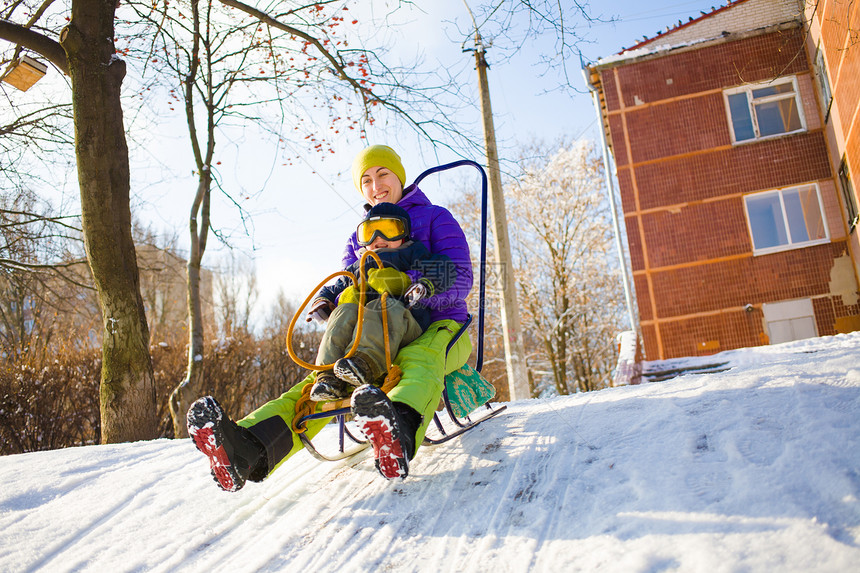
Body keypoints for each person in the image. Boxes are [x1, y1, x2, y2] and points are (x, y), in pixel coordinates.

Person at [187, 144, 473, 490]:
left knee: (418, 359)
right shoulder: (359, 234)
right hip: (374, 331)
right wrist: (330, 299)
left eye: (382, 173)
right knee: (320, 383)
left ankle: (397, 428)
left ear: (398, 175)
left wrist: (410, 283)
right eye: (365, 179)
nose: (375, 184)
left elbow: (458, 274)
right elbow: (348, 280)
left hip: (440, 325)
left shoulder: (434, 217)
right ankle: (246, 449)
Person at [307, 201, 455, 402]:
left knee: (383, 306)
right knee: (344, 311)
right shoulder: (359, 265)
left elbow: (444, 267)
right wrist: (322, 301)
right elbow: (334, 287)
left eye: (388, 230)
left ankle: (366, 363)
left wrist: (422, 284)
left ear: (403, 234)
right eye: (370, 233)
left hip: (405, 323)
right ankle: (328, 376)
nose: (379, 238)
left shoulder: (412, 252)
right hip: (363, 329)